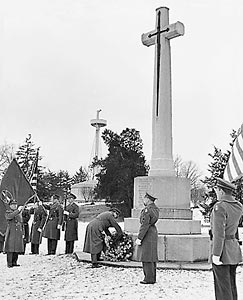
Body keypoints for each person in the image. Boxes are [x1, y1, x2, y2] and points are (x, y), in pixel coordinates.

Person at [209, 177, 243, 300]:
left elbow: (219, 233)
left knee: (222, 288)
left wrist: (216, 254)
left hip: (222, 250)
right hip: (233, 248)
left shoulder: (220, 207)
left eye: (217, 190)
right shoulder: (238, 206)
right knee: (231, 285)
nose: (216, 193)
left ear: (222, 191)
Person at [135, 192, 160, 284]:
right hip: (153, 232)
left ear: (148, 199)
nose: (144, 200)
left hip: (147, 234)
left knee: (146, 257)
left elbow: (144, 225)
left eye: (145, 198)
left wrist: (139, 238)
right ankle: (152, 277)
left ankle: (148, 278)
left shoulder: (147, 210)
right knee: (152, 256)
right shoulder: (155, 209)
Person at [3, 198, 25, 267]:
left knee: (17, 248)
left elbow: (21, 222)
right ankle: (9, 263)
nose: (14, 206)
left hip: (18, 232)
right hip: (11, 232)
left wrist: (23, 232)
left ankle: (14, 262)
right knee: (10, 248)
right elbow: (10, 217)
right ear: (10, 205)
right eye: (13, 204)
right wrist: (18, 210)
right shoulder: (8, 212)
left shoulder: (18, 213)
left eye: (15, 204)